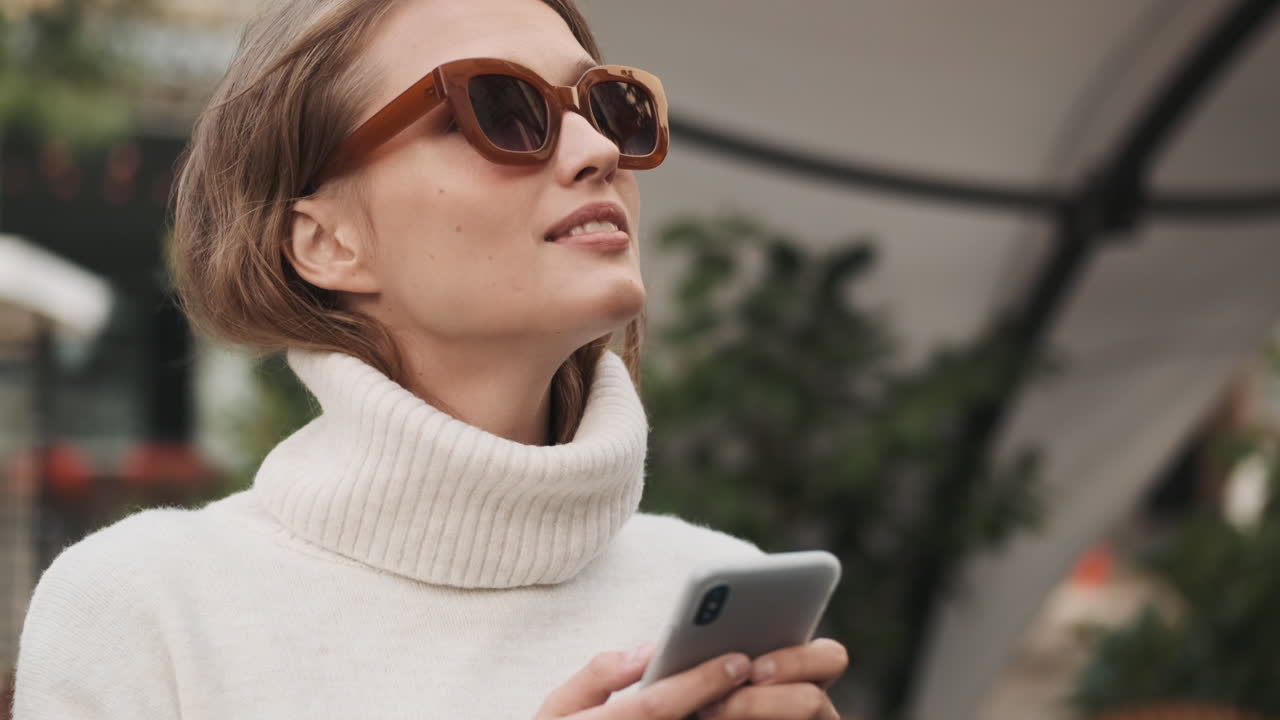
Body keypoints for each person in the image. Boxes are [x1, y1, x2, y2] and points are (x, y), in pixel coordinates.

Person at [12, 0, 848, 717]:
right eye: (500, 108)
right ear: (327, 240)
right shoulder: (143, 607)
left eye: (607, 105)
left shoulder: (714, 589)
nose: (597, 149)